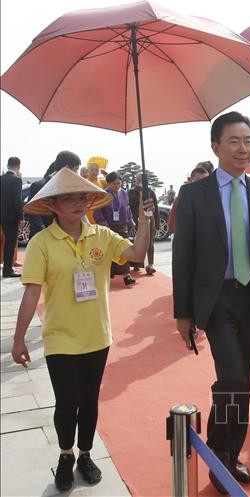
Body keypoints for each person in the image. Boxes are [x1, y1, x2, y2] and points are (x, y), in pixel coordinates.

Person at [172, 111, 250, 494]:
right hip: (216, 298)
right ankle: (217, 453)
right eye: (234, 142)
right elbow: (182, 253)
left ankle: (229, 452)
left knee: (243, 383)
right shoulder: (194, 195)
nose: (243, 149)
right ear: (216, 147)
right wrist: (183, 312)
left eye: (248, 141)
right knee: (232, 377)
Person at [11, 168, 153, 492]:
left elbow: (136, 254)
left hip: (96, 335)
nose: (77, 203)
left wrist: (144, 220)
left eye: (81, 197)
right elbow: (32, 291)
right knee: (67, 401)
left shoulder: (102, 236)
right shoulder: (40, 243)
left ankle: (86, 455)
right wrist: (18, 339)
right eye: (68, 198)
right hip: (60, 337)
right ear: (53, 205)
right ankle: (65, 455)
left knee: (89, 400)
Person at [93, 172, 135, 286]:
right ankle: (107, 274)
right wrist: (104, 223)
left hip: (122, 226)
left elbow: (127, 207)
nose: (117, 186)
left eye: (119, 184)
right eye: (114, 184)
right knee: (108, 252)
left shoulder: (124, 193)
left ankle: (127, 275)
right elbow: (97, 211)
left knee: (124, 249)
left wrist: (131, 220)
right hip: (109, 227)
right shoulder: (103, 195)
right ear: (108, 184)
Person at [27, 151, 82, 236]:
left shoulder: (72, 187)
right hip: (43, 237)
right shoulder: (39, 186)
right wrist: (44, 231)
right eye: (75, 170)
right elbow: (32, 213)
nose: (77, 174)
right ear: (66, 168)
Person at [128, 173, 158, 275]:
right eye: (138, 179)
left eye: (142, 179)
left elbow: (156, 209)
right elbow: (128, 206)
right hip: (135, 220)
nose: (140, 181)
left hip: (150, 220)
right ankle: (136, 263)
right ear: (135, 180)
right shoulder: (131, 192)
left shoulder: (150, 192)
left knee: (150, 243)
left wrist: (157, 224)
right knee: (136, 241)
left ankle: (150, 264)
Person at [167, 166, 209, 237]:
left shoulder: (211, 199)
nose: (202, 184)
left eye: (205, 181)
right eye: (198, 180)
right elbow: (172, 220)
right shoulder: (181, 198)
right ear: (190, 180)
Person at [1, 157, 24, 278]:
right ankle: (7, 270)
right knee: (10, 244)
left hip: (2, 216)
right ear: (18, 166)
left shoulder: (1, 178)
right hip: (12, 218)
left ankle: (7, 268)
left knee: (5, 243)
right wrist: (21, 217)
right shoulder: (16, 180)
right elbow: (17, 200)